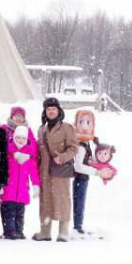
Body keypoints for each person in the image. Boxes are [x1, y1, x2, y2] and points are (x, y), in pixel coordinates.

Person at [35, 97, 78, 241]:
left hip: (61, 170)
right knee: (45, 201)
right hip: (44, 171)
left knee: (62, 200)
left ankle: (63, 232)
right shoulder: (41, 130)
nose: (51, 111)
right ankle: (45, 232)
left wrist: (63, 157)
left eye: (54, 109)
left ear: (58, 111)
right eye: (48, 109)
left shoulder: (67, 128)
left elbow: (73, 148)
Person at [71, 108, 108, 237]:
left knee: (80, 201)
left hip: (83, 178)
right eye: (81, 122)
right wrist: (96, 172)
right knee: (79, 202)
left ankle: (78, 224)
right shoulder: (81, 145)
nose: (85, 127)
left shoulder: (86, 143)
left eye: (88, 122)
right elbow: (78, 166)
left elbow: (87, 161)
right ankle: (77, 226)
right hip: (80, 178)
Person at [2, 119, 39, 239]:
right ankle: (10, 231)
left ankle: (19, 231)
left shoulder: (29, 157)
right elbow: (2, 171)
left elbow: (33, 173)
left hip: (22, 189)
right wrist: (0, 185)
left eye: (23, 138)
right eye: (18, 138)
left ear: (27, 140)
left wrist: (35, 186)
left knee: (20, 212)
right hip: (9, 189)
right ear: (13, 138)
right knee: (9, 212)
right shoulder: (9, 155)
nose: (20, 140)